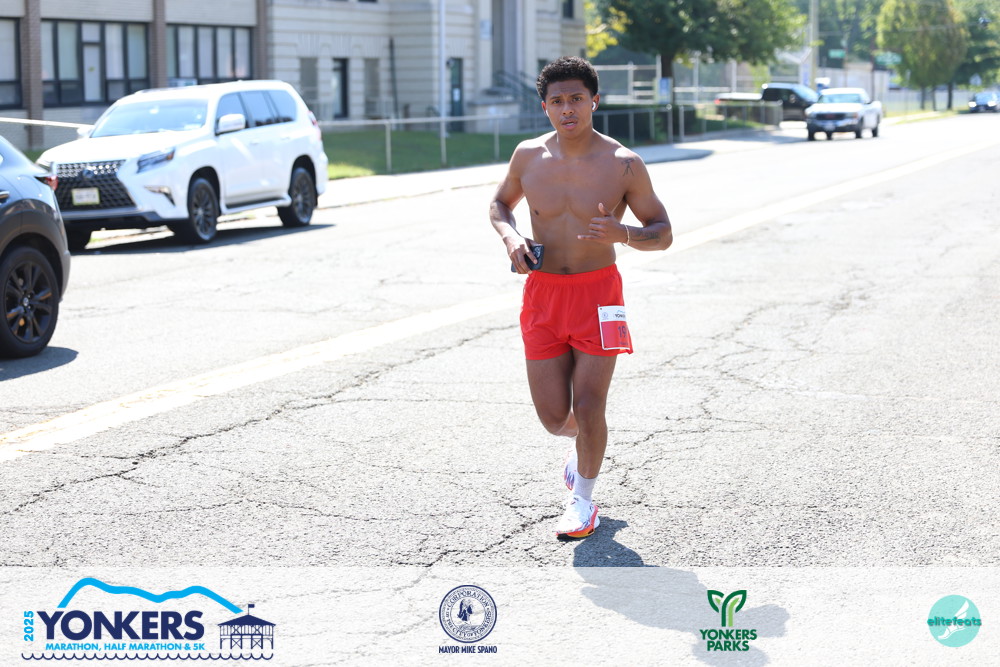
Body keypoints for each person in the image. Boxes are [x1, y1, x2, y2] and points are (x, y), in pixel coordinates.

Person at [489, 56, 673, 538]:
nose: (567, 109)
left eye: (576, 99)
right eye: (557, 101)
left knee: (590, 406)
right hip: (544, 293)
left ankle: (583, 500)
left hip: (599, 294)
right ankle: (585, 445)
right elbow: (499, 205)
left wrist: (622, 233)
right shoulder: (527, 156)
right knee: (555, 419)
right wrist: (512, 239)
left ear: (594, 101)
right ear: (545, 107)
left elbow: (663, 233)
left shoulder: (624, 163)